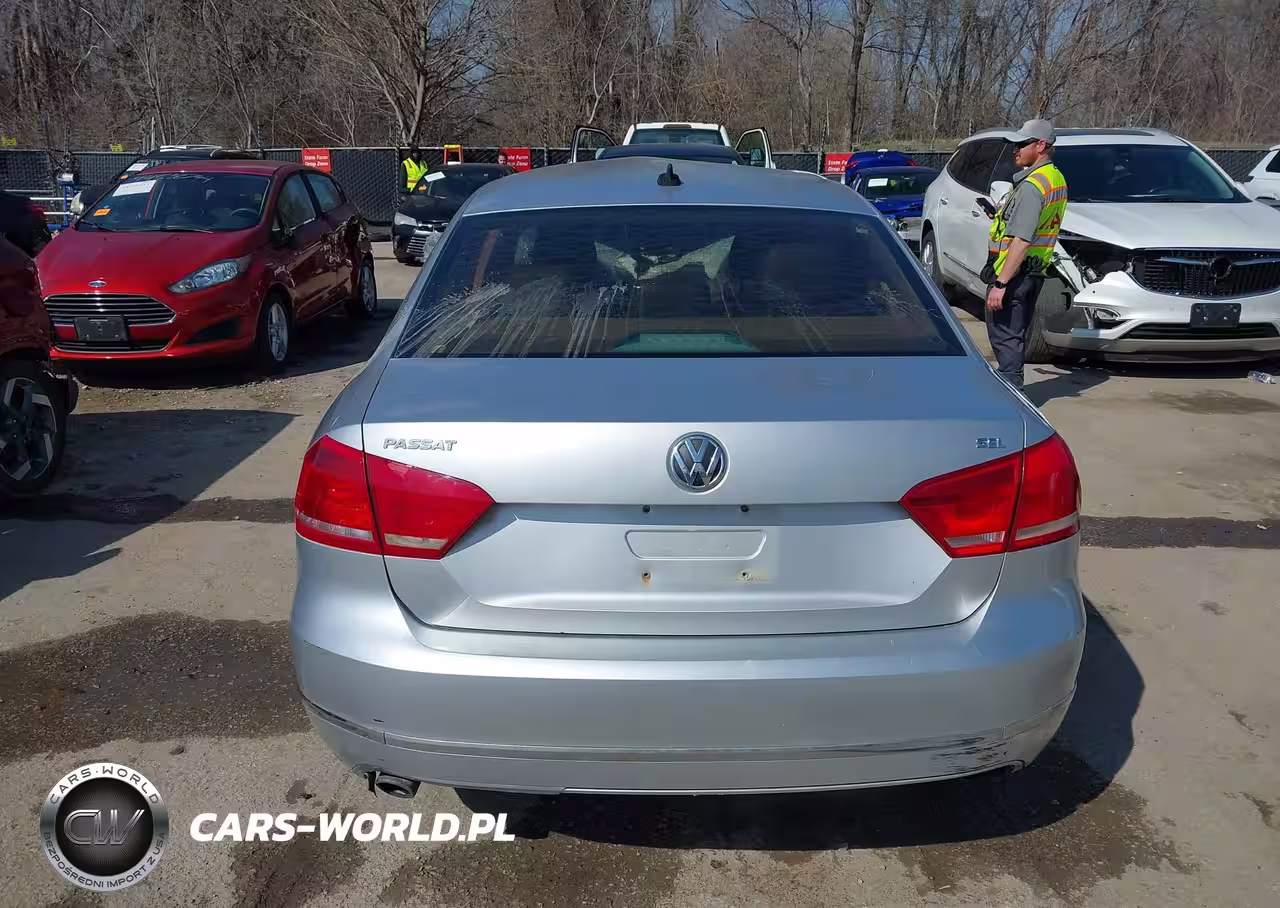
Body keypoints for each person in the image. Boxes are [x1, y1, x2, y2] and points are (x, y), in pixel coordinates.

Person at [982, 118, 1068, 390]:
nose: (1015, 150)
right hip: (1034, 271)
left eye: (1021, 144)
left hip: (1014, 274)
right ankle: (1013, 389)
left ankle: (1012, 396)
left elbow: (1022, 239)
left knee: (1006, 337)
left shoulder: (1033, 186)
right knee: (1015, 334)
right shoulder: (1055, 178)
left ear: (1040, 145)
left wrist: (1001, 283)